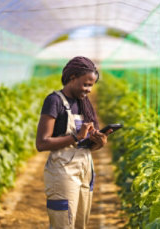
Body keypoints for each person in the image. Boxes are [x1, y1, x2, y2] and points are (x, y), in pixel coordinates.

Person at [36, 56, 112, 229]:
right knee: (64, 223)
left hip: (85, 166)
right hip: (63, 169)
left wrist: (100, 141)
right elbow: (41, 143)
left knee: (80, 223)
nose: (89, 90)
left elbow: (88, 145)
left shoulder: (84, 103)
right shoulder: (54, 101)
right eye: (86, 84)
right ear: (72, 78)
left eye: (91, 85)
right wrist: (76, 136)